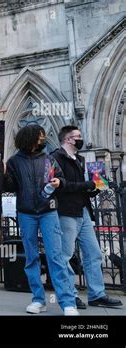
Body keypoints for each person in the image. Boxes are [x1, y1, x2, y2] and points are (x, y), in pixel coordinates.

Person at [3, 125, 79, 316]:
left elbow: (61, 180)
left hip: (48, 211)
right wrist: (3, 173)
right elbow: (9, 187)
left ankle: (68, 302)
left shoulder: (49, 159)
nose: (43, 139)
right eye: (40, 136)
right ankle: (38, 300)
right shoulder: (14, 161)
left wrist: (58, 182)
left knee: (56, 256)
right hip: (26, 212)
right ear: (30, 138)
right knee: (31, 257)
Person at [51, 126, 123, 309]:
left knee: (94, 254)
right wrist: (87, 184)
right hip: (66, 212)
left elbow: (83, 189)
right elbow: (62, 186)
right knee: (65, 256)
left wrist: (96, 187)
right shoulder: (55, 157)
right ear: (68, 139)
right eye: (78, 136)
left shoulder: (80, 159)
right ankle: (69, 296)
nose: (81, 139)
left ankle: (97, 294)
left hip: (83, 210)